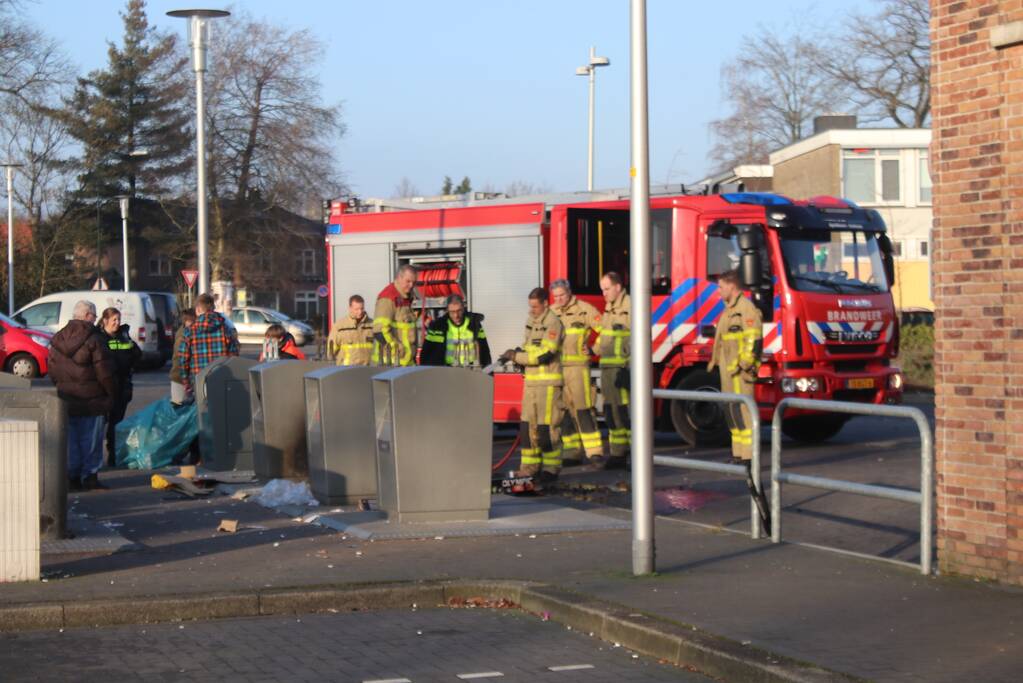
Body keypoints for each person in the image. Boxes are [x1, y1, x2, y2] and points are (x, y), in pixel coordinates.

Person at [48, 300, 117, 491]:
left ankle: (73, 477)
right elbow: (104, 371)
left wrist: (62, 386)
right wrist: (111, 393)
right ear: (87, 316)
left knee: (72, 440)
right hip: (93, 399)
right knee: (91, 440)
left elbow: (52, 369)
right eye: (94, 316)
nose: (95, 320)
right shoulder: (95, 339)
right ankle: (90, 476)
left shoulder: (58, 338)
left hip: (67, 397)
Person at [499, 287, 564, 484]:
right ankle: (529, 468)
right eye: (530, 307)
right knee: (528, 428)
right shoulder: (531, 322)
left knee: (547, 429)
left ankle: (551, 469)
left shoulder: (553, 323)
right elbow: (528, 347)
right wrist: (517, 354)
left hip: (548, 385)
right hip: (531, 384)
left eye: (535, 307)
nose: (532, 311)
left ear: (545, 303)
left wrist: (517, 356)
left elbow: (546, 354)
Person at [706, 270, 763, 461]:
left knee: (744, 412)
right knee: (732, 411)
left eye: (721, 287)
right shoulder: (728, 310)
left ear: (731, 286)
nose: (718, 291)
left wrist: (745, 364)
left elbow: (754, 339)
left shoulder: (746, 309)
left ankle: (749, 456)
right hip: (728, 371)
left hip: (741, 372)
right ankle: (738, 454)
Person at [550, 279, 603, 465]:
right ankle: (572, 452)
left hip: (579, 368)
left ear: (569, 292)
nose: (559, 299)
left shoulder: (584, 309)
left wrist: (595, 350)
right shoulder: (551, 313)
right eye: (555, 296)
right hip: (558, 369)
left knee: (583, 409)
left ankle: (594, 452)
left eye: (562, 295)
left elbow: (606, 331)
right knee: (563, 412)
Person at [596, 272, 631, 469]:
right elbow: (605, 337)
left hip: (622, 369)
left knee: (627, 414)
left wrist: (631, 366)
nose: (604, 294)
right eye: (602, 289)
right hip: (608, 368)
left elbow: (639, 338)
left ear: (618, 287)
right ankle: (617, 454)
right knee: (612, 412)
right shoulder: (609, 308)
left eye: (607, 289)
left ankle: (635, 455)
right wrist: (592, 350)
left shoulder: (631, 307)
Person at [98, 307, 141, 468]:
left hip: (121, 386)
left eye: (118, 319)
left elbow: (137, 354)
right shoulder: (99, 337)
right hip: (103, 388)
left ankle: (113, 456)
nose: (117, 323)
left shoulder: (124, 336)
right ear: (105, 321)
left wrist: (131, 366)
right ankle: (96, 458)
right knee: (99, 423)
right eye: (114, 320)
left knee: (116, 424)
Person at [179, 293, 240, 396]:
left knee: (202, 410)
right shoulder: (225, 329)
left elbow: (183, 359)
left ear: (198, 309)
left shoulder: (189, 332)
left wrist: (186, 381)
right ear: (213, 308)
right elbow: (234, 355)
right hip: (222, 379)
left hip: (199, 380)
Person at [420, 294, 491, 367]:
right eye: (452, 312)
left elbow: (484, 349)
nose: (456, 315)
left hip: (470, 370)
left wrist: (487, 370)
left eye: (459, 311)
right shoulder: (438, 326)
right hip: (448, 370)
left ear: (463, 308)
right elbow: (427, 351)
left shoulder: (474, 324)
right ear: (447, 310)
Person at [372, 264, 418, 366]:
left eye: (414, 282)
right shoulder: (388, 297)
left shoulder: (406, 297)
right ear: (399, 278)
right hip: (390, 364)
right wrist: (399, 350)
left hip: (405, 363)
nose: (411, 285)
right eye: (408, 281)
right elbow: (380, 331)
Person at [327, 295, 374, 366]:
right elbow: (331, 350)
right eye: (356, 309)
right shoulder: (340, 326)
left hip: (367, 369)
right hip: (346, 370)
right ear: (350, 308)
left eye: (362, 308)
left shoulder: (372, 325)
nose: (360, 312)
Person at [169, 309, 197, 406]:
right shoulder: (184, 336)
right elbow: (181, 358)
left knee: (180, 408)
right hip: (180, 378)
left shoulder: (183, 332)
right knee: (180, 408)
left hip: (180, 377)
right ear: (187, 321)